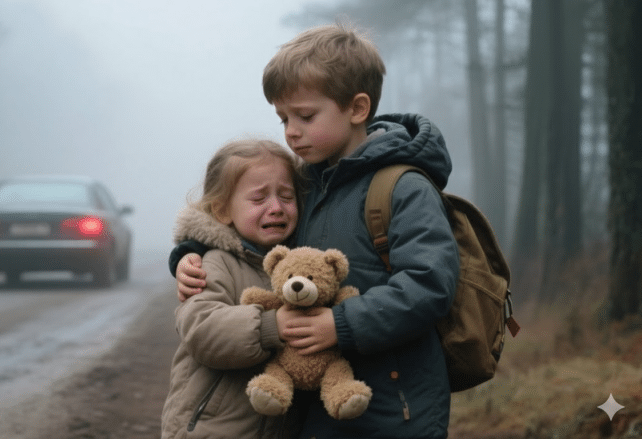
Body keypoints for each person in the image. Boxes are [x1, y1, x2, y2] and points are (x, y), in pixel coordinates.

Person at [172, 23, 460, 439]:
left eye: (305, 116)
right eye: (283, 117)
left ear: (357, 109)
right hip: (316, 413)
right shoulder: (307, 186)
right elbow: (256, 234)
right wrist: (188, 254)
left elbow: (430, 283)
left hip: (397, 407)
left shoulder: (402, 188)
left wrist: (339, 324)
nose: (290, 130)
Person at [160, 138, 306, 439]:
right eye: (259, 199)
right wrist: (270, 326)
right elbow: (201, 330)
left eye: (287, 196)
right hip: (211, 429)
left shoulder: (298, 265)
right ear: (223, 210)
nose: (276, 208)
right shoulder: (213, 263)